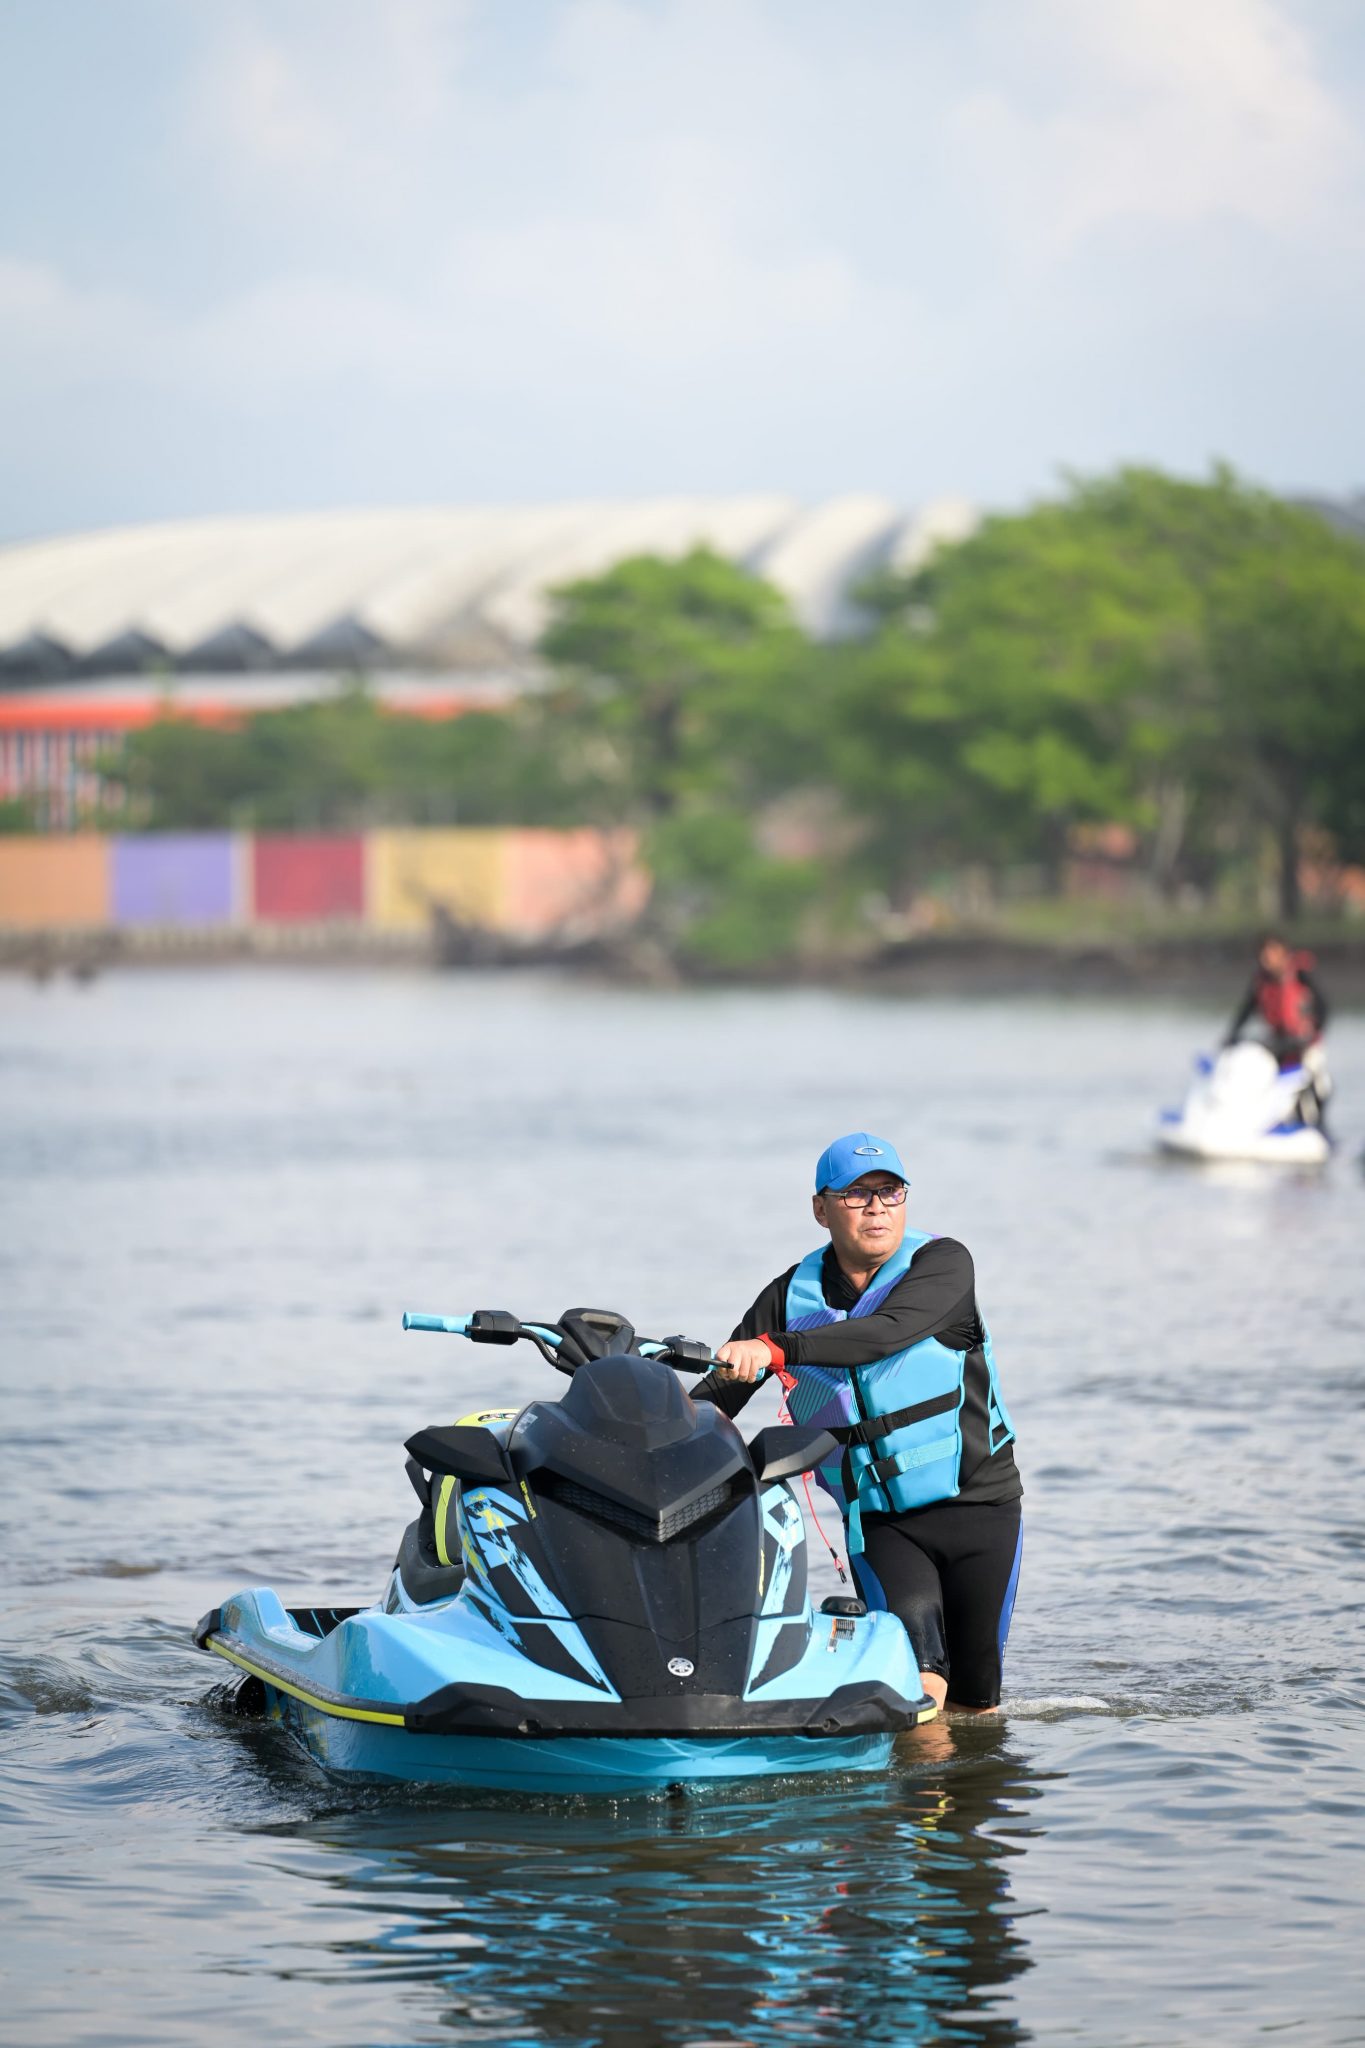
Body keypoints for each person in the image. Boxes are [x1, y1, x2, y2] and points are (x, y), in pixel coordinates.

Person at [690, 1133, 1022, 1714]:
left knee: (976, 1702)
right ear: (821, 1210)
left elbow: (885, 1333)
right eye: (856, 1195)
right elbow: (714, 1403)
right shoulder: (788, 1296)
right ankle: (923, 1771)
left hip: (981, 1507)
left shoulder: (944, 1265)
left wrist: (776, 1349)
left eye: (890, 1192)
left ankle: (962, 1772)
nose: (876, 1208)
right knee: (915, 1688)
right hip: (881, 1523)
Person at [1225, 936, 1331, 1129]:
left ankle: (1318, 1128)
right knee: (1272, 1084)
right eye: (1264, 954)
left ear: (1283, 954)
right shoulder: (1260, 981)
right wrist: (1231, 1034)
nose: (1267, 958)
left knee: (1314, 1083)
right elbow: (1246, 1009)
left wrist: (1313, 1031)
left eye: (1272, 953)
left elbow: (1323, 1007)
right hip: (1279, 1044)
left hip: (1304, 1043)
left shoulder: (1300, 974)